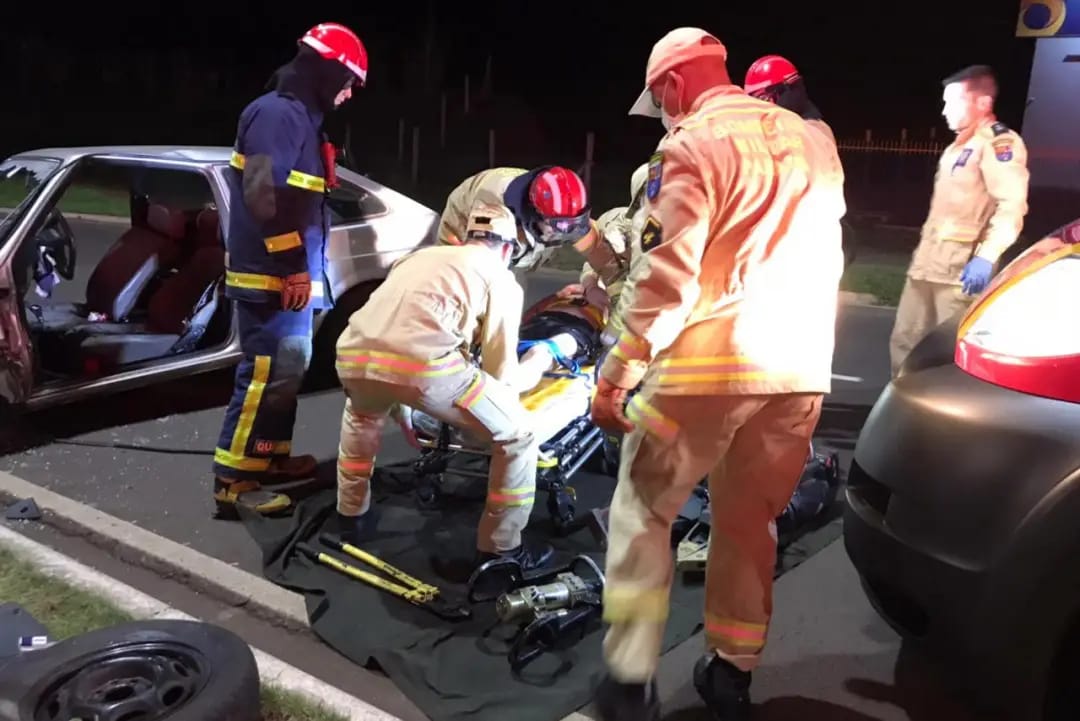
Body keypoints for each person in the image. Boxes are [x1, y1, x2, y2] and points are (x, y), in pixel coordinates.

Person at [588, 27, 847, 720]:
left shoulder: (690, 144)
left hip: (705, 370)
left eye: (660, 100)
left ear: (672, 84)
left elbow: (669, 277)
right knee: (748, 521)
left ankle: (629, 677)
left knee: (643, 509)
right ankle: (732, 673)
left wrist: (619, 371)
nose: (663, 114)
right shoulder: (812, 140)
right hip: (797, 369)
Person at [333, 204, 557, 570]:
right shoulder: (500, 277)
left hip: (353, 356)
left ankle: (351, 516)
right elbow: (502, 376)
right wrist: (541, 360)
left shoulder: (418, 258)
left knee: (361, 419)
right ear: (510, 247)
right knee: (518, 436)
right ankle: (502, 548)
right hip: (423, 369)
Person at [211, 22, 369, 519]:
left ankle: (268, 459)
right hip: (272, 274)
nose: (347, 95)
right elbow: (263, 196)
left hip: (289, 275)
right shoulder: (276, 115)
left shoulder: (301, 119)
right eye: (347, 83)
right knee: (262, 374)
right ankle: (234, 480)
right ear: (325, 71)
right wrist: (293, 265)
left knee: (285, 372)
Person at [888, 64, 1029, 377]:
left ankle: (941, 422)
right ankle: (903, 410)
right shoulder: (957, 147)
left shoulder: (999, 143)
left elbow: (1011, 206)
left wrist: (986, 257)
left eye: (952, 102)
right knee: (906, 342)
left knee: (945, 356)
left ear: (981, 103)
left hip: (959, 274)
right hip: (927, 266)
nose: (944, 111)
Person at [437, 166, 607, 293]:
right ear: (536, 212)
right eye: (560, 225)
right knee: (466, 286)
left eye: (574, 223)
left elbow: (598, 251)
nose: (566, 231)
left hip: (525, 225)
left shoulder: (564, 211)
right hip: (465, 221)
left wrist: (599, 286)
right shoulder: (493, 208)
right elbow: (483, 269)